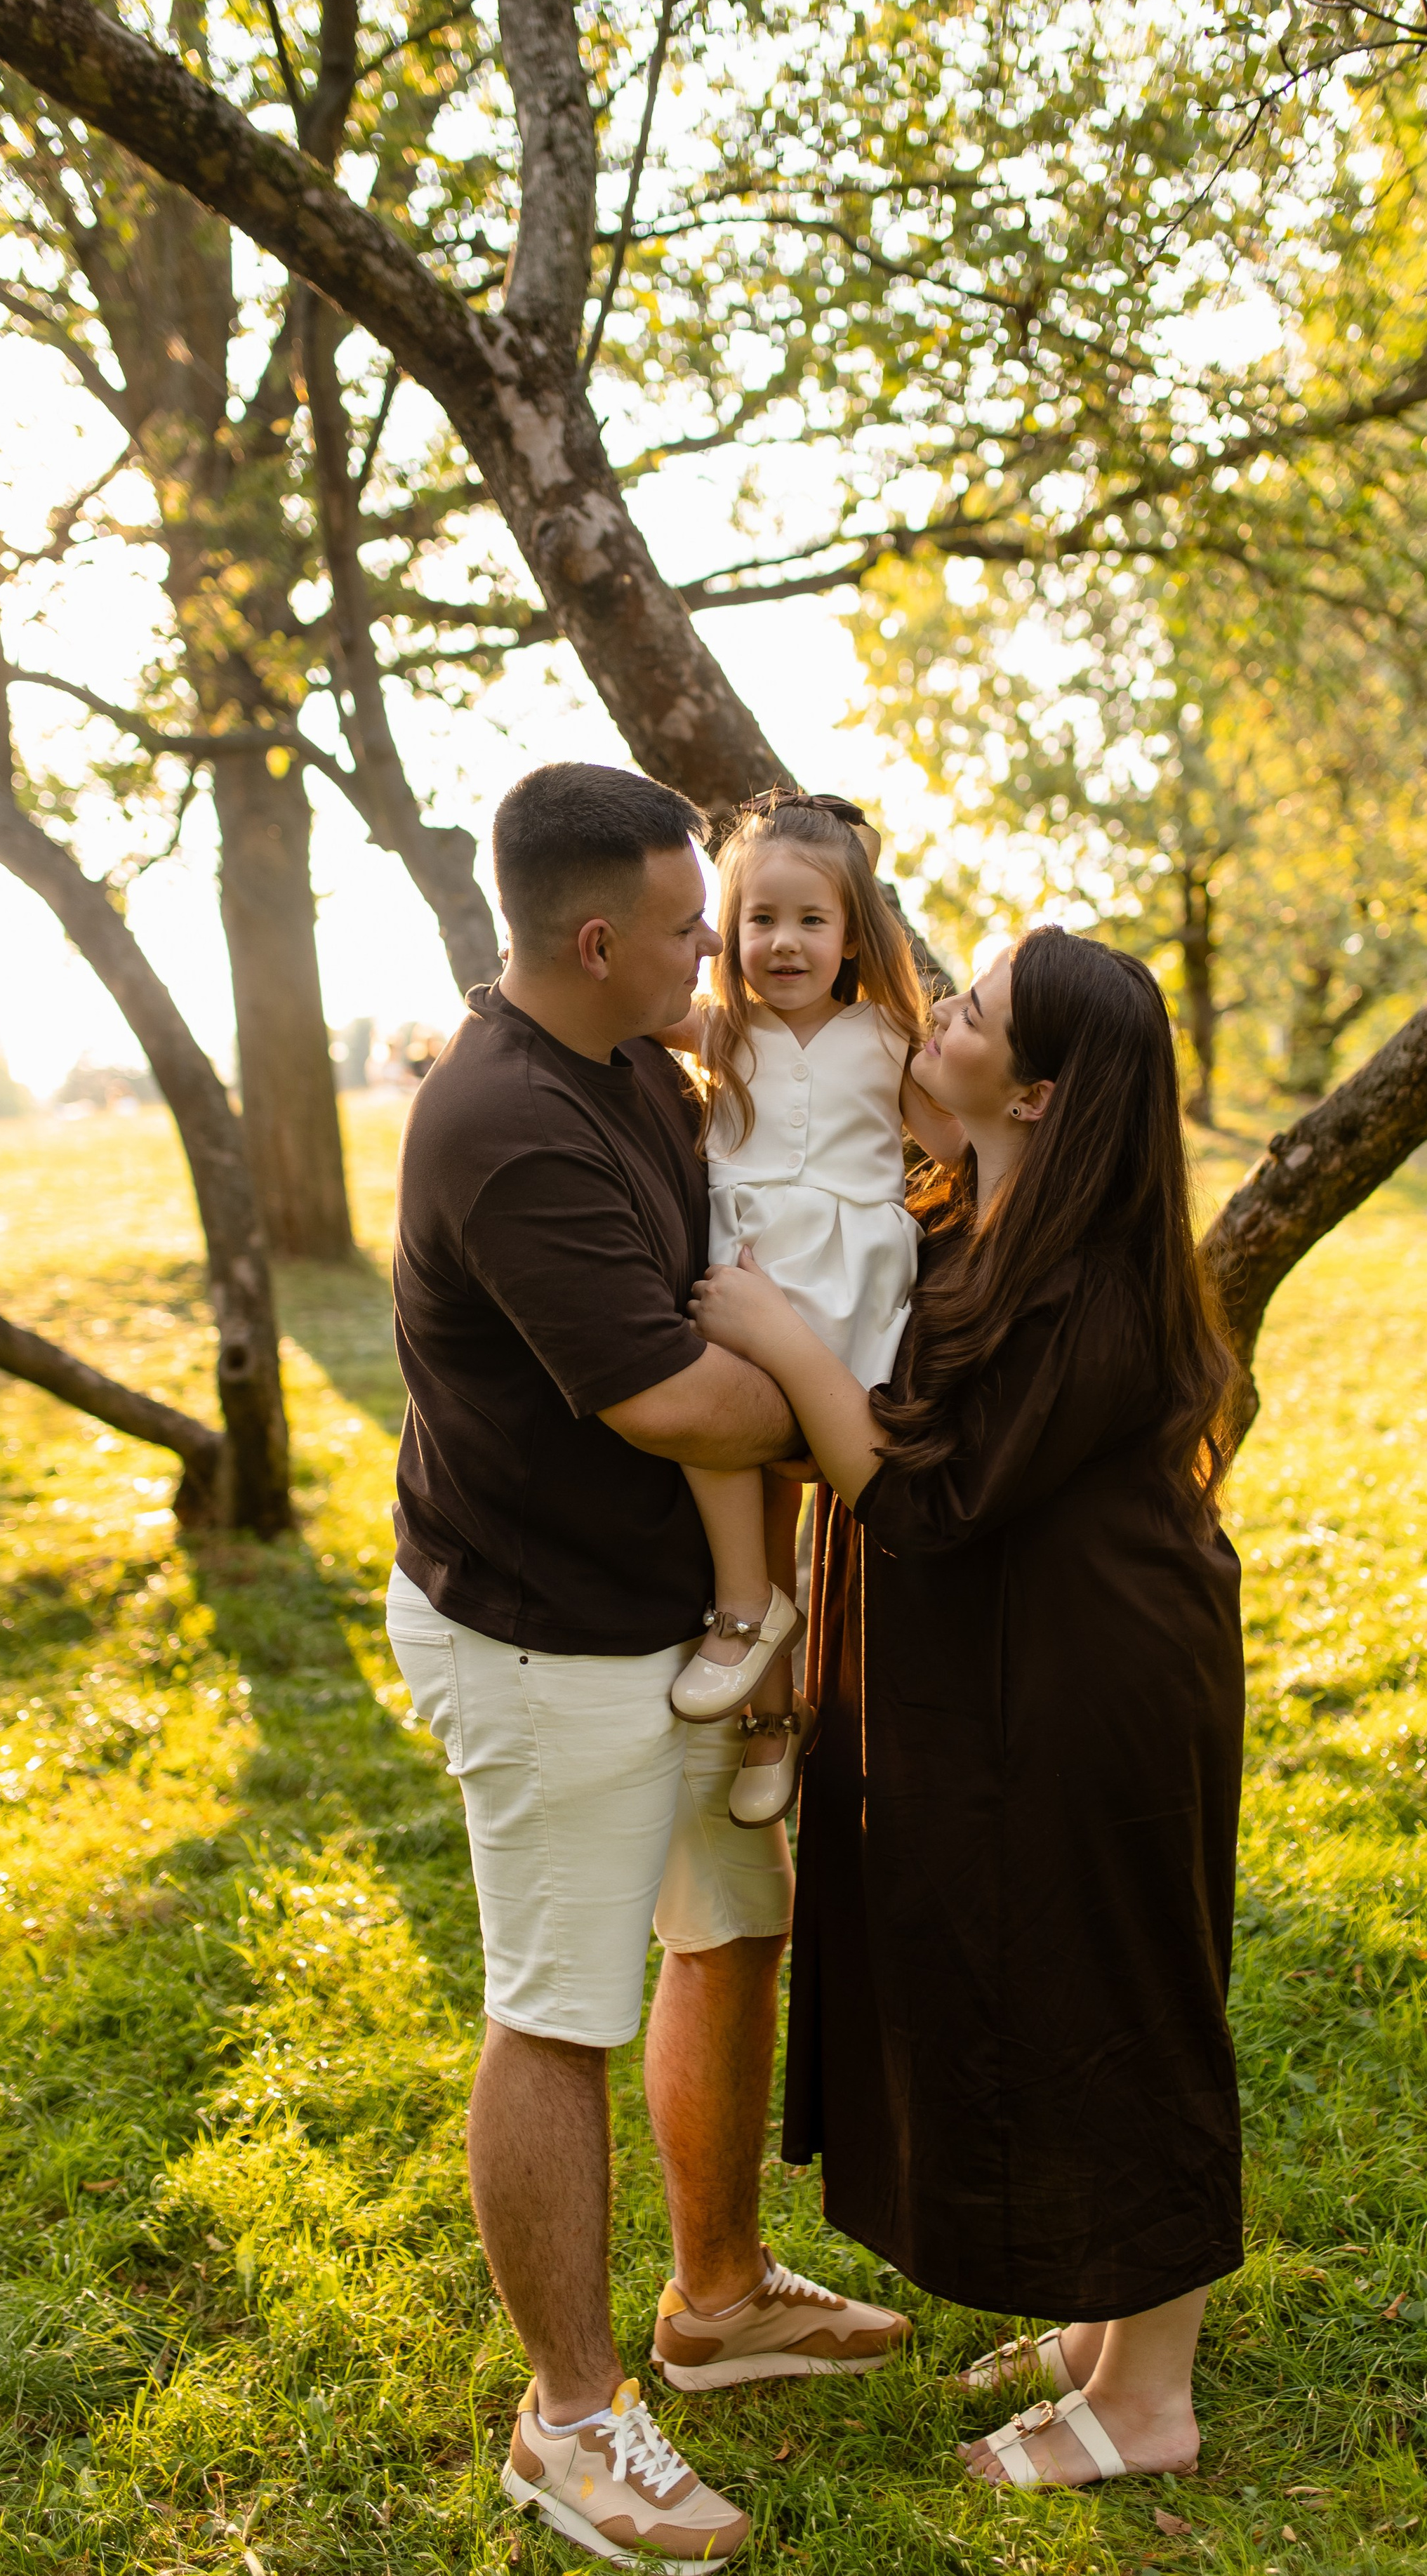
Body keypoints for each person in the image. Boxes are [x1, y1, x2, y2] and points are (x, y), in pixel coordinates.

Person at [385, 762, 909, 2572]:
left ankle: (719, 2297)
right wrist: (845, 1402)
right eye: (692, 926)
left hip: (670, 1617)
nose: (718, 954)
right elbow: (675, 1402)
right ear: (598, 938)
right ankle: (570, 2421)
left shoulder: (623, 1059)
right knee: (557, 2011)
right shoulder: (505, 1125)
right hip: (541, 1636)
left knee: (731, 1925)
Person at [689, 927, 1247, 2496]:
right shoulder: (979, 1213)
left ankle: (1151, 2399)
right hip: (1013, 1667)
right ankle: (1105, 2327)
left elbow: (926, 1497)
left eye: (978, 1013)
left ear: (1041, 1093)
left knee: (1121, 1995)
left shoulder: (1090, 1276)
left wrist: (779, 1340)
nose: (940, 1014)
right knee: (1041, 1979)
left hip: (1097, 1679)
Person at [654, 794, 961, 1825]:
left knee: (806, 1490)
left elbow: (959, 1145)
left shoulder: (889, 1035)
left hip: (847, 1287)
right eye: (760, 920)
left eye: (811, 920)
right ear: (728, 931)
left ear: (854, 935)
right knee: (718, 1437)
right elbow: (615, 1001)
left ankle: (777, 1656)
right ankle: (765, 1696)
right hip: (745, 1272)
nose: (784, 942)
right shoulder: (720, 1030)